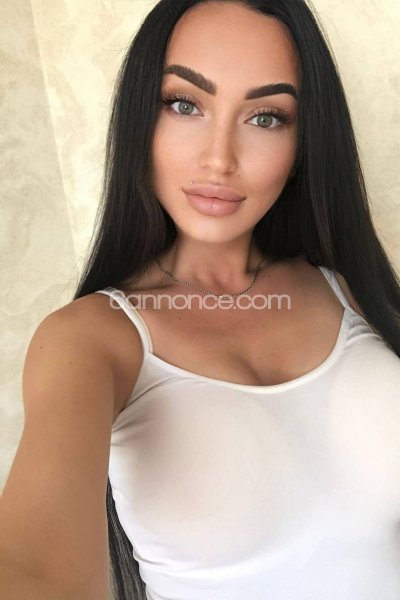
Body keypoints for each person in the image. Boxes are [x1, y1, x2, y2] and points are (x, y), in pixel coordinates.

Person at [1, 0, 400, 599]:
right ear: (141, 120)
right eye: (184, 104)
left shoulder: (353, 292)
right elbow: (31, 568)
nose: (219, 159)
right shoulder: (92, 340)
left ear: (303, 146)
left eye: (265, 117)